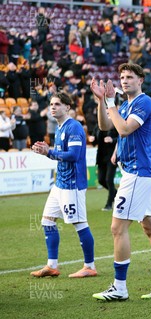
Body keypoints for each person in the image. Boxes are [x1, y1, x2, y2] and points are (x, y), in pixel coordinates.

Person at [91, 63, 151, 300]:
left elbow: (125, 129)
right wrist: (102, 102)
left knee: (118, 228)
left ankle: (120, 287)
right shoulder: (126, 104)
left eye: (130, 77)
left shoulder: (143, 102)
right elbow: (105, 126)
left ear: (141, 80)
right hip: (138, 173)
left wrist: (110, 104)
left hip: (138, 174)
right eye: (122, 77)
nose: (124, 80)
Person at [30, 93, 96, 279]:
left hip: (72, 185)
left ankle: (90, 266)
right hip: (60, 184)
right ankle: (52, 265)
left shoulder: (73, 127)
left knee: (79, 223)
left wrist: (49, 151)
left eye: (57, 104)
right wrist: (48, 151)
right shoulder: (60, 128)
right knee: (47, 221)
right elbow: (61, 153)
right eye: (51, 104)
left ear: (67, 107)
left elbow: (74, 155)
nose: (53, 107)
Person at [90, 125, 118, 211]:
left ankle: (109, 204)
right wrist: (92, 139)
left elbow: (121, 139)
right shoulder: (97, 126)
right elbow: (95, 142)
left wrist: (112, 140)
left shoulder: (115, 125)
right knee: (101, 180)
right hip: (101, 157)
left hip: (112, 156)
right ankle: (117, 194)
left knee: (109, 180)